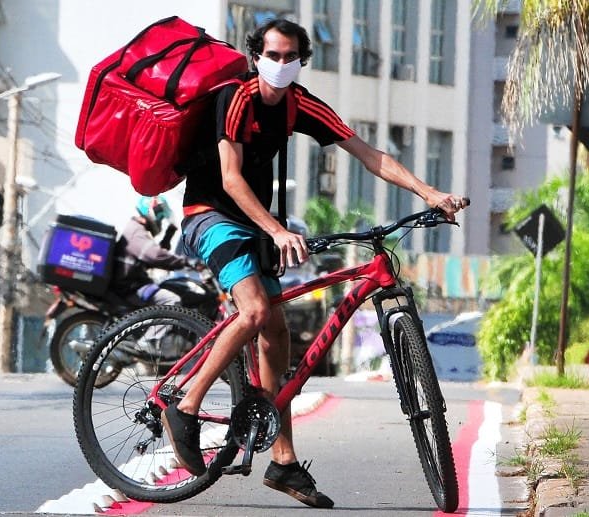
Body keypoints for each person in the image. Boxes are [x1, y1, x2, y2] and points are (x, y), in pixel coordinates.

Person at [162, 18, 468, 509]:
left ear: (302, 60)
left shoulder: (299, 104)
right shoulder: (235, 98)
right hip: (212, 216)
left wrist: (429, 192)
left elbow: (369, 155)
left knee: (277, 333)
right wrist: (278, 231)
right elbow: (231, 178)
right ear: (256, 56)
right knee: (254, 311)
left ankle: (282, 461)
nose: (281, 65)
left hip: (256, 225)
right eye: (273, 55)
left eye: (290, 57)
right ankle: (185, 405)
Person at [111, 197, 197, 347]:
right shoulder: (136, 230)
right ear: (151, 210)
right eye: (160, 216)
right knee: (171, 300)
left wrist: (169, 234)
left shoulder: (137, 229)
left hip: (131, 283)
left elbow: (154, 255)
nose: (161, 220)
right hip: (130, 287)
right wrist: (186, 262)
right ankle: (146, 343)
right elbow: (155, 256)